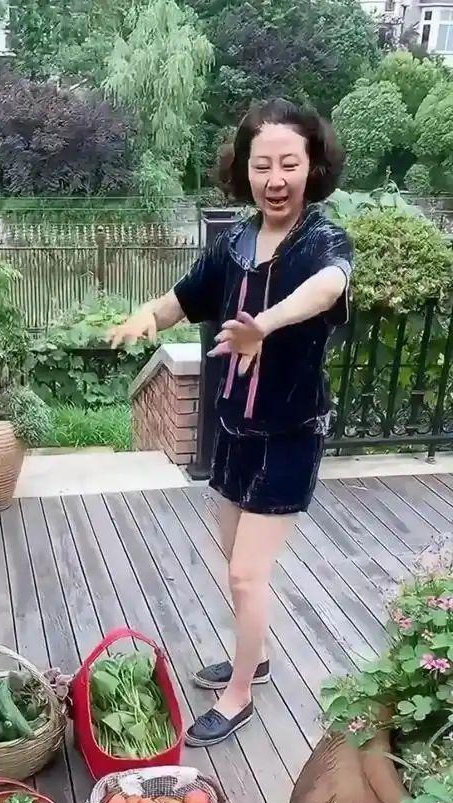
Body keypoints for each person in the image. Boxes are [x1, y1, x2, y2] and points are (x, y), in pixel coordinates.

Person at [109, 98, 352, 748]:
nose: (275, 179)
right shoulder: (234, 245)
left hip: (289, 435)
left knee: (247, 573)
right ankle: (257, 657)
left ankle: (239, 693)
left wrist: (262, 326)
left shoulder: (323, 239)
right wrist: (145, 315)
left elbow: (329, 287)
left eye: (289, 164)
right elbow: (181, 299)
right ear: (243, 169)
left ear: (312, 166)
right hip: (233, 432)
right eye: (261, 164)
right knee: (235, 566)